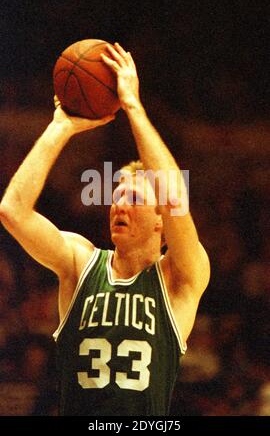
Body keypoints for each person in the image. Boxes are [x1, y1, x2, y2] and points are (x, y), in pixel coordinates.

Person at [0, 43, 210, 416]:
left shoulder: (180, 277)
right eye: (116, 195)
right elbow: (13, 211)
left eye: (133, 196)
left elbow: (176, 195)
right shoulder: (81, 263)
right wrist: (59, 127)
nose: (118, 203)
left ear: (161, 218)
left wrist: (132, 106)